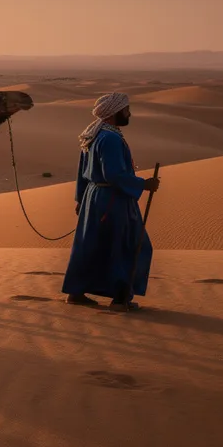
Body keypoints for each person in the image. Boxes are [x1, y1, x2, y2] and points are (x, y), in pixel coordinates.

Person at [62, 92, 160, 312]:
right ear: (116, 112)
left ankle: (76, 292)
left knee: (92, 245)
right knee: (127, 245)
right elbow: (113, 175)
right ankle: (119, 298)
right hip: (112, 200)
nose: (129, 113)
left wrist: (81, 199)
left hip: (93, 198)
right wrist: (143, 184)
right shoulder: (110, 138)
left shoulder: (92, 134)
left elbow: (82, 173)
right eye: (126, 110)